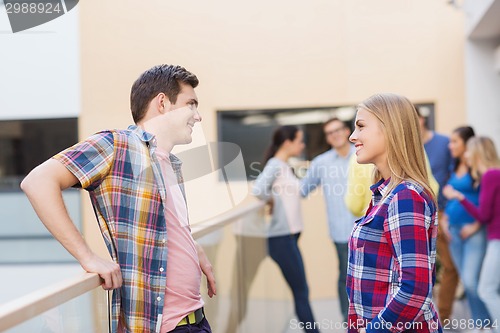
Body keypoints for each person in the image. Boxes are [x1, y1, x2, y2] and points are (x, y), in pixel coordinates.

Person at [20, 64, 216, 333]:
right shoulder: (117, 145)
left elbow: (159, 224)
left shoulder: (171, 163)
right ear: (163, 103)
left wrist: (192, 247)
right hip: (161, 327)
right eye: (191, 104)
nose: (198, 116)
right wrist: (86, 256)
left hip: (196, 319)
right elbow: (37, 182)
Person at [346, 93, 441, 333]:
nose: (352, 136)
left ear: (389, 129)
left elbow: (415, 289)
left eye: (361, 126)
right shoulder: (385, 194)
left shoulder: (405, 196)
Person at [252, 125, 320, 333]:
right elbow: (258, 189)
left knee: (301, 290)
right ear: (288, 143)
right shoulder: (275, 164)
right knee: (301, 291)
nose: (303, 145)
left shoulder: (284, 165)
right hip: (280, 238)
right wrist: (270, 199)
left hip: (289, 237)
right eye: (300, 140)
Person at [300, 117, 356, 322]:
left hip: (369, 229)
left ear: (346, 130)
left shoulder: (362, 155)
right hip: (341, 232)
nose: (336, 134)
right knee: (346, 276)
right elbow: (302, 189)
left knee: (370, 276)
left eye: (339, 129)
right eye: (330, 132)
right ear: (328, 138)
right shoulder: (321, 163)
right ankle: (347, 319)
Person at [443, 136, 500, 329]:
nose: (465, 155)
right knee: (482, 287)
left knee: (485, 288)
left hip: (495, 238)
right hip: (489, 237)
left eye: (469, 151)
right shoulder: (489, 176)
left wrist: (458, 196)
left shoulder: (491, 175)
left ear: (477, 153)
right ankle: (482, 324)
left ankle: (489, 325)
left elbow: (483, 215)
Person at [416, 107, 458, 322]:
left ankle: (444, 317)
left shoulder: (443, 143)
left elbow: (455, 171)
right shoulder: (409, 145)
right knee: (420, 269)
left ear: (422, 119)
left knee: (450, 266)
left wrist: (449, 210)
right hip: (414, 213)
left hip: (443, 211)